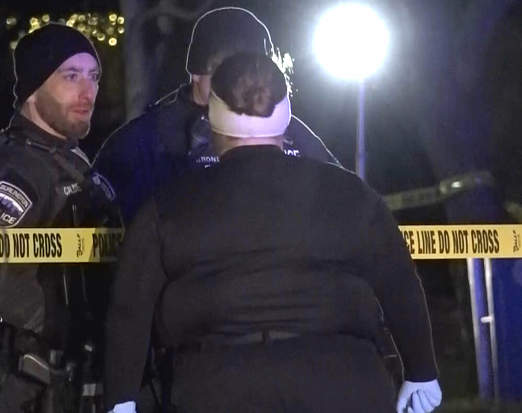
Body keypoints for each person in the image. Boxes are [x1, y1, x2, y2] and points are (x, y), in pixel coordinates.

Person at [103, 52, 442, 413]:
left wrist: (121, 397)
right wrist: (421, 369)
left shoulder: (168, 205)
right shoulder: (351, 194)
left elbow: (129, 308)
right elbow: (400, 283)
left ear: (212, 121)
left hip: (216, 388)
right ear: (286, 116)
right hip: (345, 384)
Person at [0, 24, 121, 413]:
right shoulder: (13, 170)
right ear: (33, 89)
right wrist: (78, 324)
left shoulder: (66, 155)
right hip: (41, 387)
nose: (88, 92)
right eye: (71, 77)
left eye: (94, 76)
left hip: (80, 380)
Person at [93, 6, 340, 225]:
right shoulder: (143, 141)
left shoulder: (293, 134)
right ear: (196, 73)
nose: (238, 84)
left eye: (251, 74)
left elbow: (341, 200)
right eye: (226, 72)